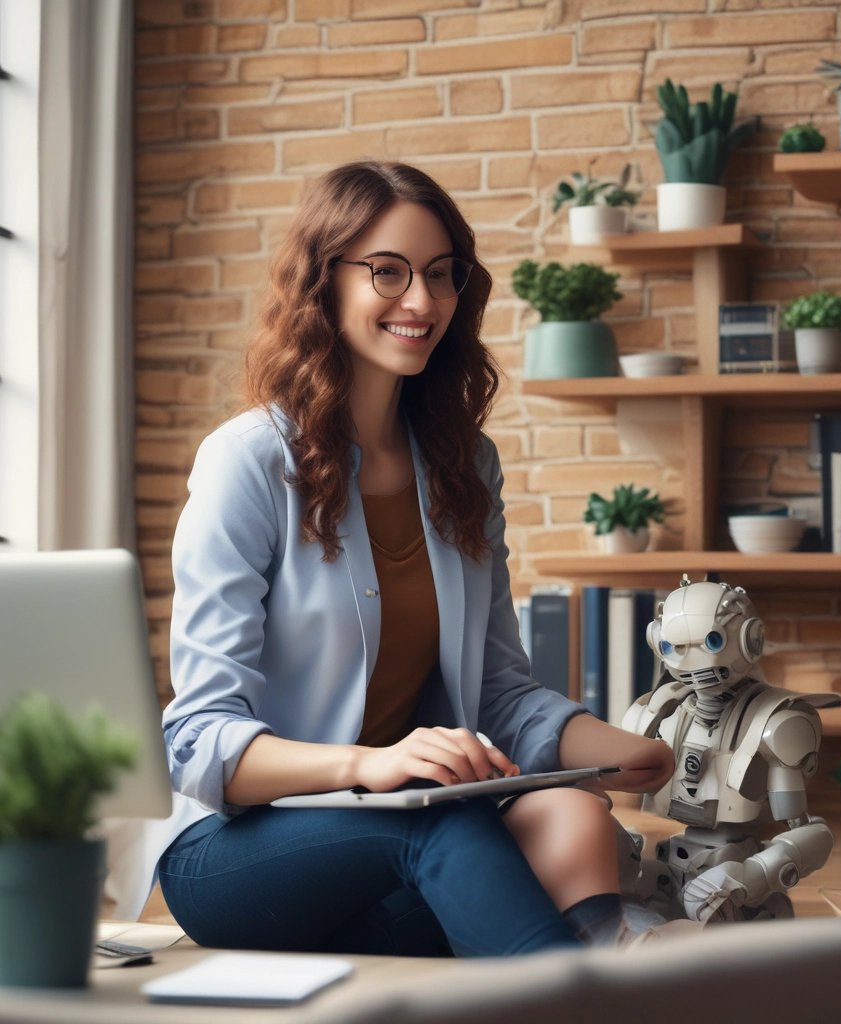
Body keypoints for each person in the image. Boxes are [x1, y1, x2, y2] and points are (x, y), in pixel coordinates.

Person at [152, 160, 674, 958]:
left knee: (573, 817)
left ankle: (599, 970)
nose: (422, 302)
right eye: (388, 272)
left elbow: (496, 693)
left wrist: (628, 749)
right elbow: (199, 738)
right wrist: (371, 765)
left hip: (401, 840)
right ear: (323, 281)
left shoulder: (465, 466)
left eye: (440, 274)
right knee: (441, 820)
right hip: (240, 853)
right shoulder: (248, 462)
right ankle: (596, 1000)